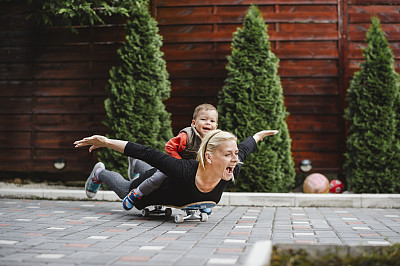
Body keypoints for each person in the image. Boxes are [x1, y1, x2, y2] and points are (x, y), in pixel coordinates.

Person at [74, 129, 278, 212]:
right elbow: (149, 153)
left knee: (156, 169)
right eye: (228, 154)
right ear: (209, 157)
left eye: (235, 154)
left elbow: (244, 149)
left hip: (166, 178)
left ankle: (134, 164)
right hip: (151, 191)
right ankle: (99, 173)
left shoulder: (230, 168)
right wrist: (107, 142)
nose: (236, 159)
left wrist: (258, 136)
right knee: (124, 187)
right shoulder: (185, 170)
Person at [124, 103, 218, 211]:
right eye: (203, 119)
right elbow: (169, 146)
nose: (208, 123)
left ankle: (200, 203)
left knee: (202, 182)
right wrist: (177, 163)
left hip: (194, 169)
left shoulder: (214, 140)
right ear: (194, 123)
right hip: (174, 164)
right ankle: (137, 193)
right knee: (157, 178)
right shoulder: (186, 136)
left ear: (216, 126)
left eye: (212, 121)